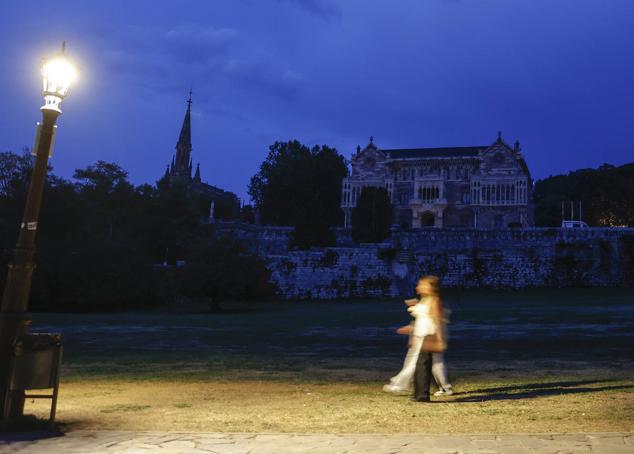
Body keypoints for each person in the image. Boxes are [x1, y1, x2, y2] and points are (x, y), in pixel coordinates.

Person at [383, 276, 453, 400]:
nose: (418, 287)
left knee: (429, 363)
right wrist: (410, 329)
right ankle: (441, 387)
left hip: (429, 335)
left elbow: (437, 320)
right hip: (420, 334)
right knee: (425, 363)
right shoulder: (424, 300)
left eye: (422, 284)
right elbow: (422, 318)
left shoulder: (434, 300)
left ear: (431, 287)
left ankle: (442, 387)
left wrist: (440, 339)